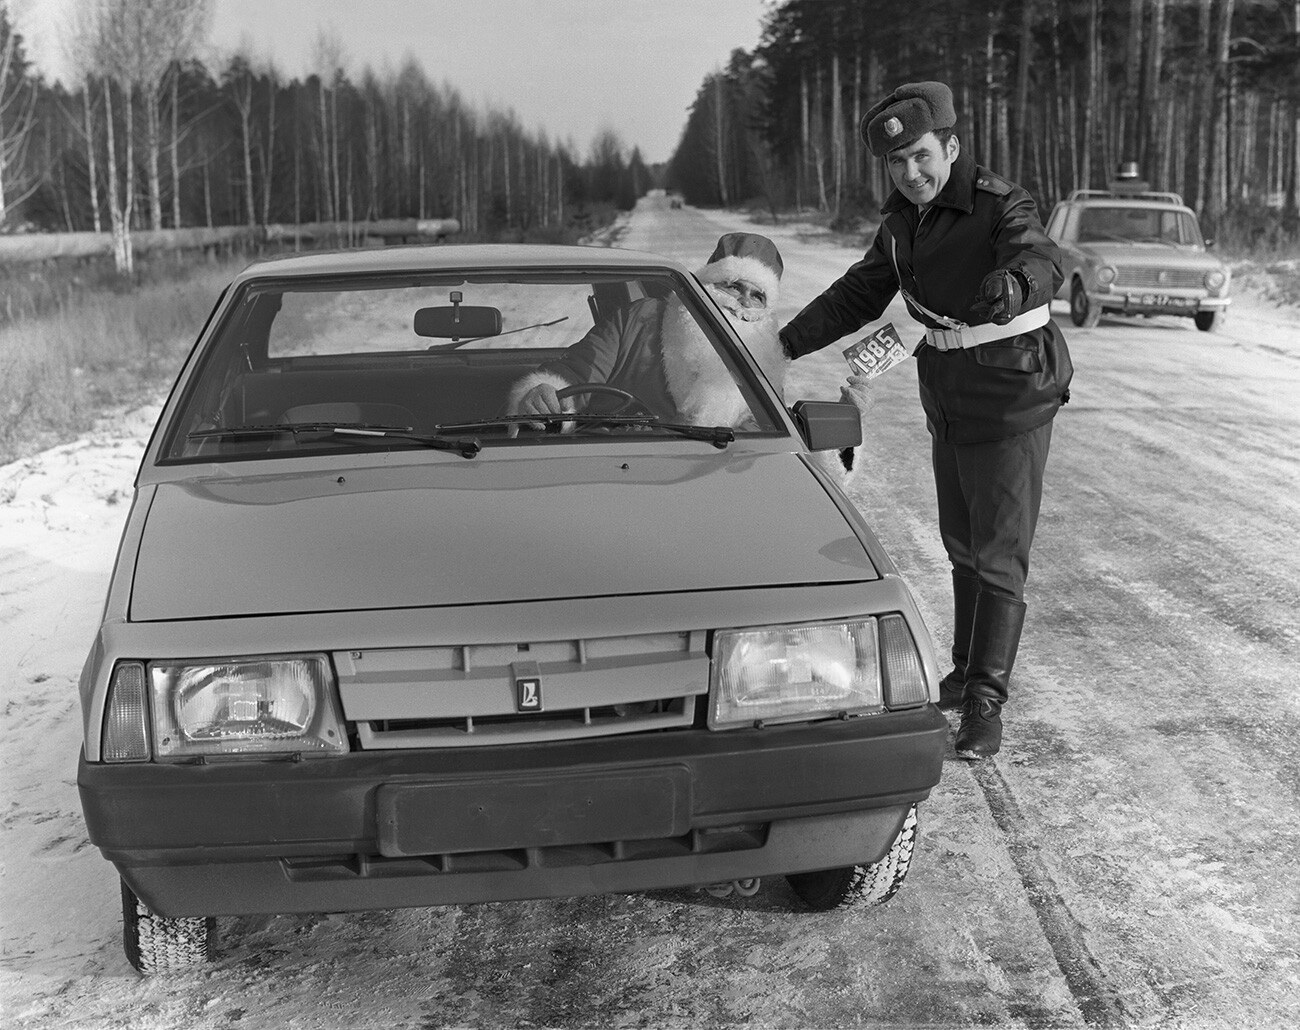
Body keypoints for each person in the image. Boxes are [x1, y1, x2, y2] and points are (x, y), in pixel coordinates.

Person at [778, 81, 1073, 760]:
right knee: (963, 545)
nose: (911, 173)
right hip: (948, 395)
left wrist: (1014, 283)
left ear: (950, 146)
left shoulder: (1000, 203)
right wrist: (783, 345)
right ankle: (966, 670)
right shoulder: (901, 222)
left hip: (1012, 398)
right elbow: (859, 292)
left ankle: (986, 706)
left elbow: (1042, 257)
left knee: (998, 556)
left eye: (920, 155)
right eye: (896, 163)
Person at [505, 232, 788, 431]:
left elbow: (765, 434)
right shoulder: (641, 318)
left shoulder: (763, 354)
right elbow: (577, 372)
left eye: (757, 296)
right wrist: (545, 393)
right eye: (734, 286)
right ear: (708, 285)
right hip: (619, 466)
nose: (743, 303)